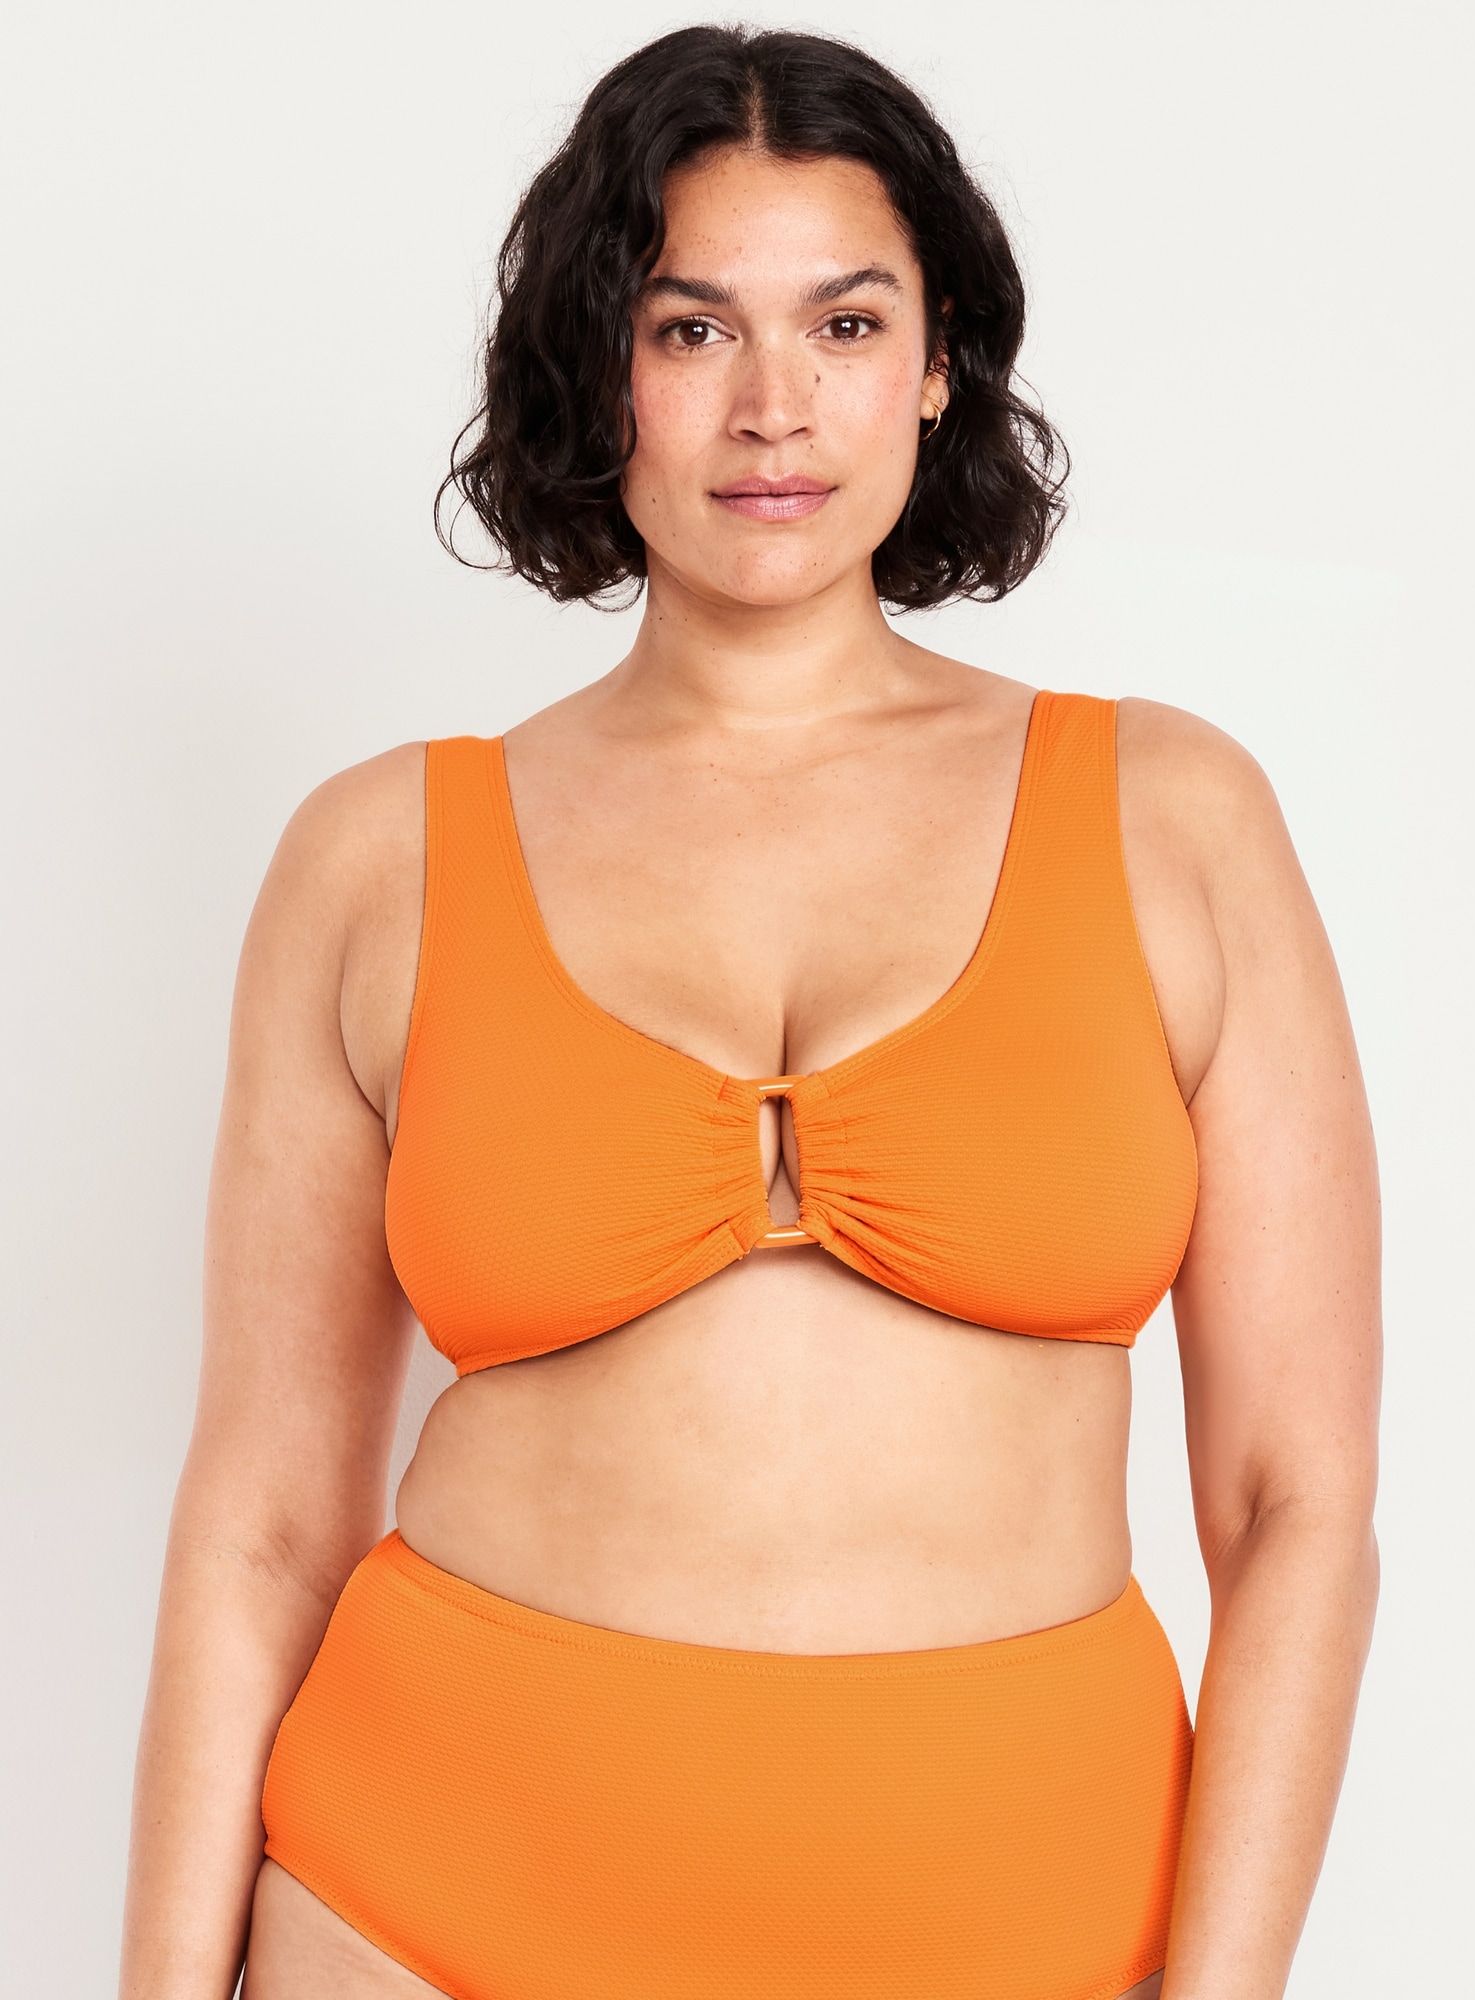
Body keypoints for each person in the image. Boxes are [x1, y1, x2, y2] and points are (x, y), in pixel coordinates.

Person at [119, 26, 1381, 2000]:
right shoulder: (375, 861)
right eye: (690, 328)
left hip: (1030, 1934)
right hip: (418, 1912)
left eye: (846, 324)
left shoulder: (1177, 818)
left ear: (939, 362)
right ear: (593, 366)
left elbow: (1295, 1505)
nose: (773, 406)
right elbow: (264, 1521)